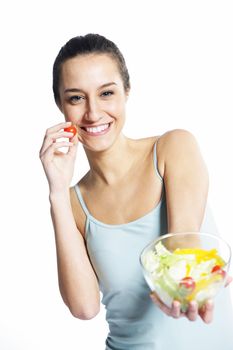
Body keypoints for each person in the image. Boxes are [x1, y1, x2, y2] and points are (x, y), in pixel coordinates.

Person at [39, 33, 233, 350]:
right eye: (76, 98)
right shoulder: (74, 203)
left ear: (127, 91)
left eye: (106, 93)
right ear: (61, 105)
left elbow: (184, 238)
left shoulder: (173, 147)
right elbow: (84, 307)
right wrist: (57, 192)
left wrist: (183, 287)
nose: (92, 113)